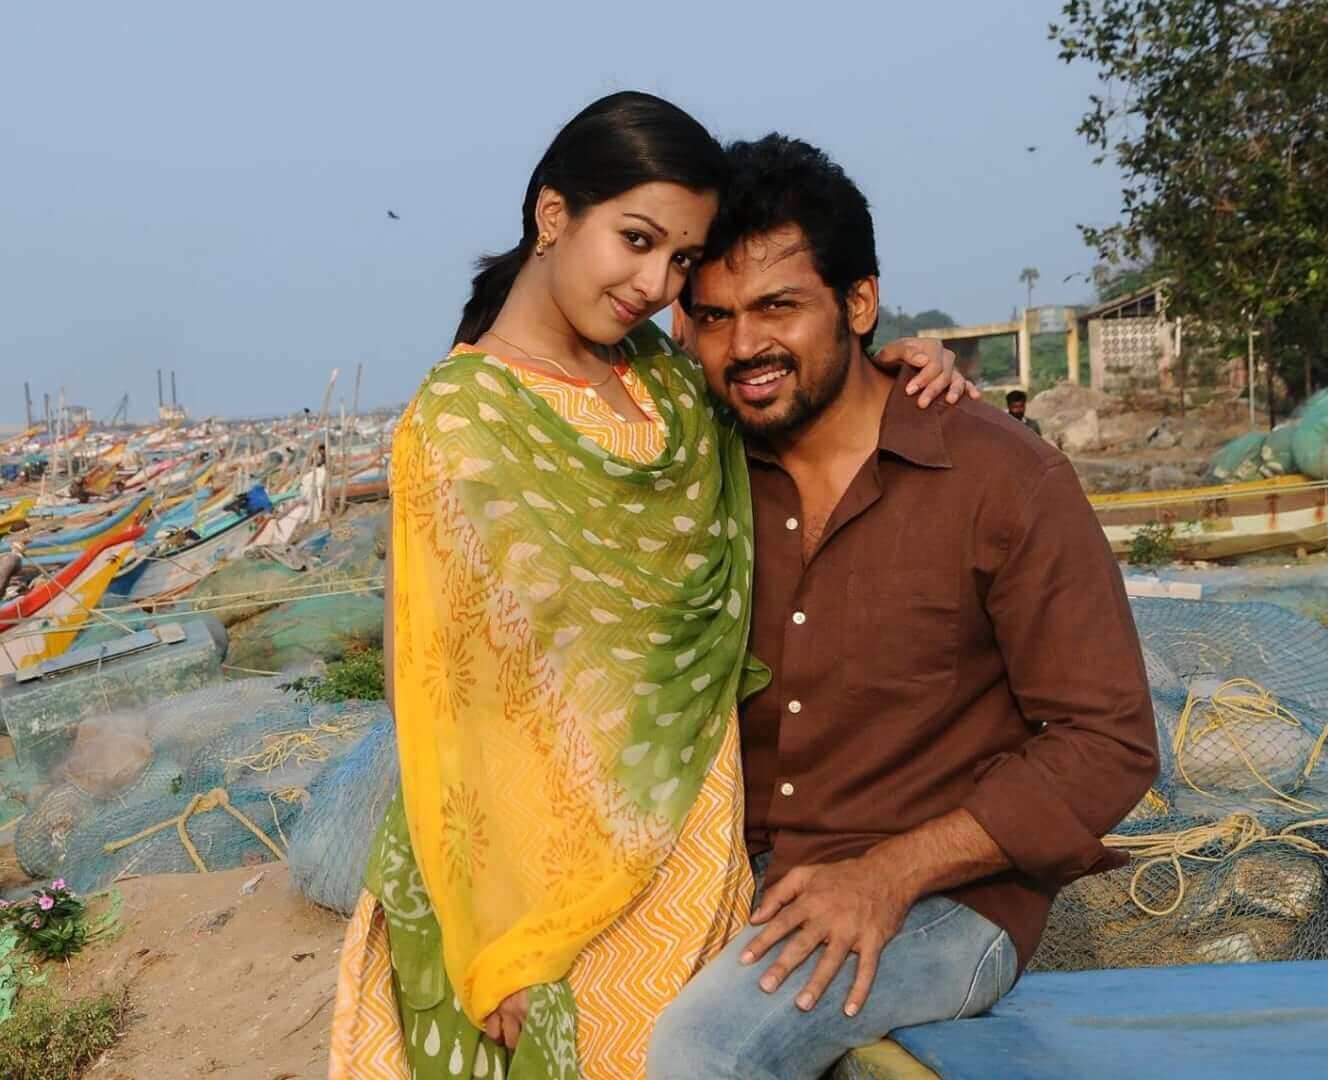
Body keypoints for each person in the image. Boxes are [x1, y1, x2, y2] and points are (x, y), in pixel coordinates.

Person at [328, 92, 974, 1079]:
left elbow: (792, 405)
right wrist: (504, 938)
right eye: (636, 240)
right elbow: (446, 705)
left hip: (697, 837)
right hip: (551, 878)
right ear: (553, 215)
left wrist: (896, 368)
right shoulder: (462, 423)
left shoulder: (667, 379)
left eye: (680, 259)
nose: (654, 282)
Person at [651, 135, 1157, 1079]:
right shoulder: (701, 470)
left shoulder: (1003, 480)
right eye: (714, 316)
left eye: (778, 306)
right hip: (734, 879)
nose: (744, 346)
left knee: (701, 1053)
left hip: (945, 902)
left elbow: (1110, 742)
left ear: (858, 304)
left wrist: (889, 874)